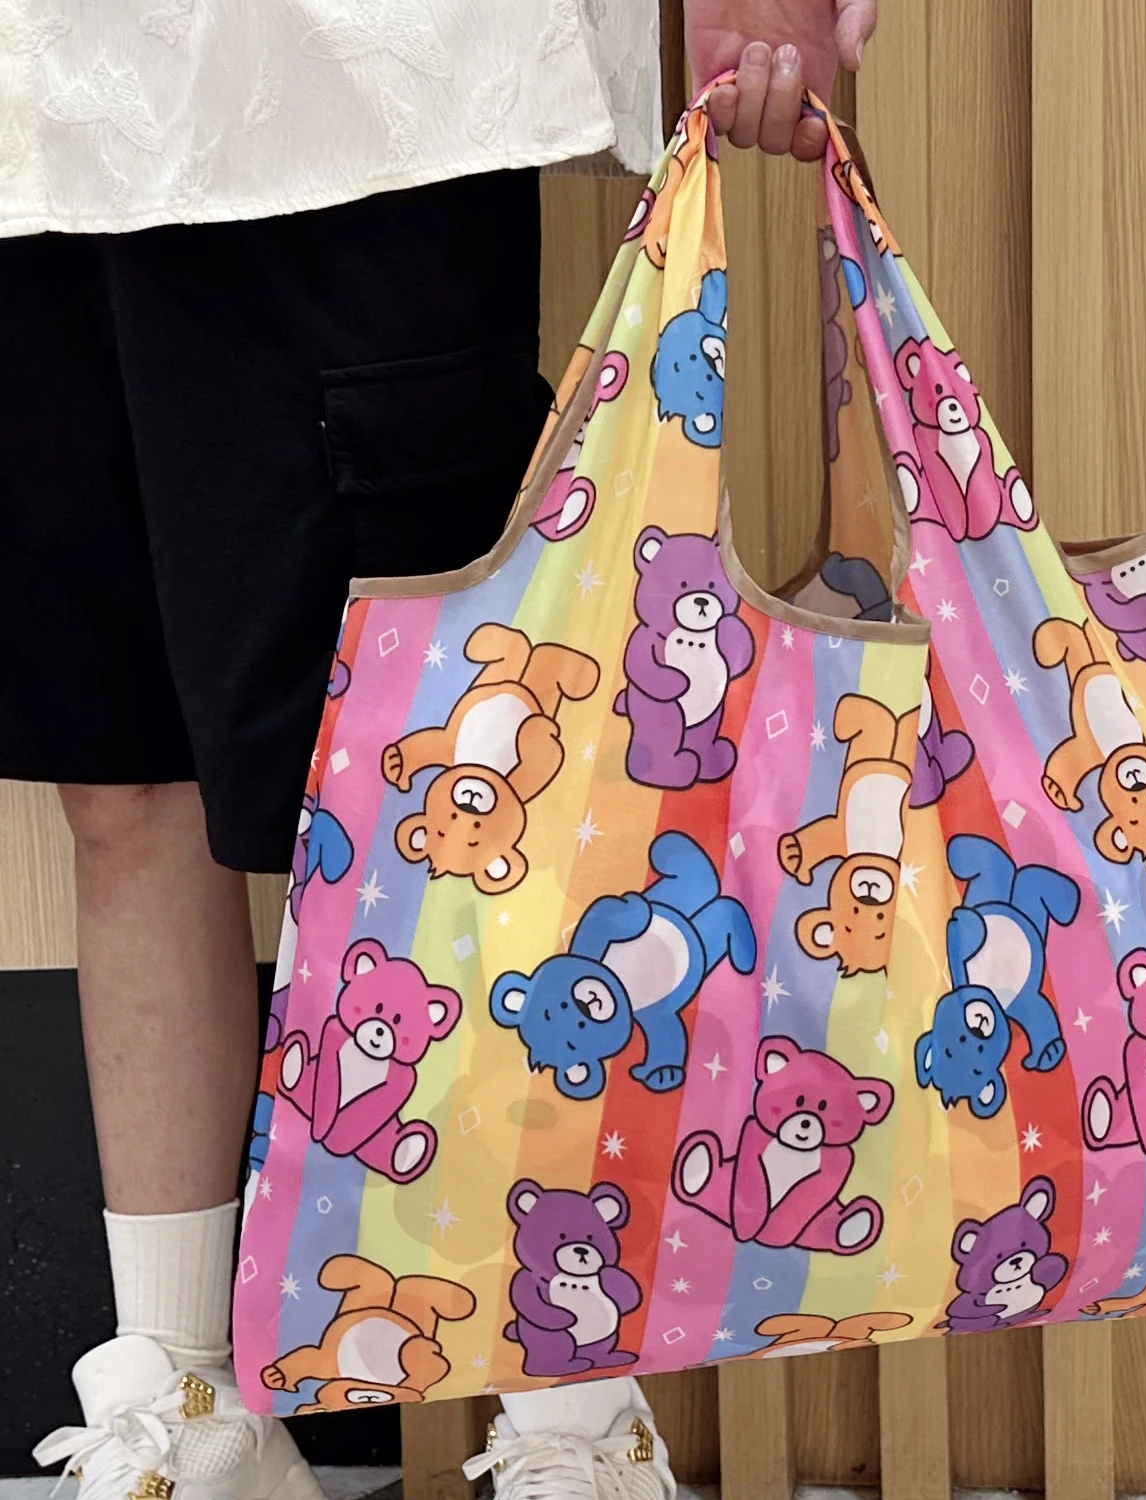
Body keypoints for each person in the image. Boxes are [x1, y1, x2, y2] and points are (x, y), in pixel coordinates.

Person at [2, 2, 876, 1499]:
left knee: (463, 775)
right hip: (37, 113)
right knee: (123, 768)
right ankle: (190, 1399)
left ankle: (577, 1425)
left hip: (354, 91)